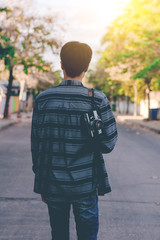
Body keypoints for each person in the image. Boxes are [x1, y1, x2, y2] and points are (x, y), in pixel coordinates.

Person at [31, 41, 118, 240]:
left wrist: (42, 183)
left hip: (53, 182)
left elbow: (37, 146)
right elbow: (109, 144)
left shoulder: (43, 100)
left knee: (59, 235)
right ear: (87, 67)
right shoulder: (97, 99)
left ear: (61, 64)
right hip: (85, 184)